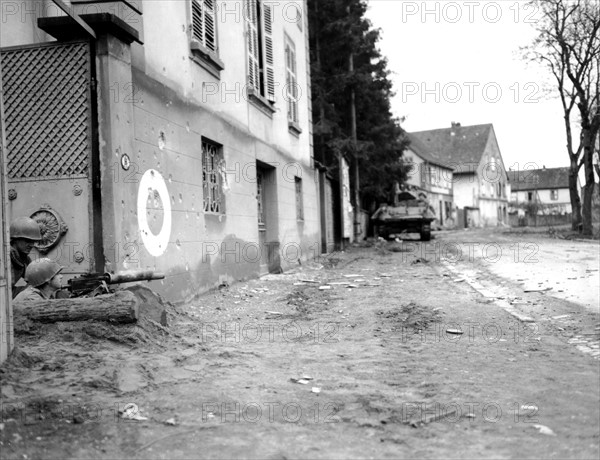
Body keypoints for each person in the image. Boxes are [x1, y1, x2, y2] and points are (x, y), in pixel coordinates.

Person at [9, 217, 42, 298]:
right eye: (27, 241)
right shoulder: (5, 258)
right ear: (15, 239)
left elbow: (36, 280)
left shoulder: (24, 259)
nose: (32, 245)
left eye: (33, 241)